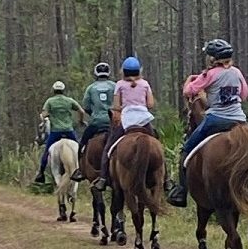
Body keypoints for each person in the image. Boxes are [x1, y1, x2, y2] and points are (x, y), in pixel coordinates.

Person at [167, 39, 248, 208]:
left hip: (216, 120)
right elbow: (244, 94)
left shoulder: (210, 74)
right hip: (240, 121)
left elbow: (188, 91)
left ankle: (181, 191)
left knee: (187, 149)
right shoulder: (237, 73)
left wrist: (191, 80)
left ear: (213, 59)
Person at [93, 56, 173, 192]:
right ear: (139, 71)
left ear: (123, 71)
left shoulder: (119, 84)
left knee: (109, 148)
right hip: (144, 120)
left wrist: (123, 107)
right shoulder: (145, 84)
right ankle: (166, 179)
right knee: (158, 145)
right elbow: (151, 104)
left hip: (127, 120)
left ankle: (103, 178)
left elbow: (117, 106)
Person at [34, 81, 87, 183]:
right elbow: (81, 111)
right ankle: (81, 169)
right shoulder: (69, 101)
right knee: (79, 150)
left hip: (55, 132)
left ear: (54, 90)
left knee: (46, 151)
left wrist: (44, 116)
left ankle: (40, 173)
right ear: (63, 90)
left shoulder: (50, 101)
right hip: (68, 131)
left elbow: (44, 114)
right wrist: (80, 121)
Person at [70, 62, 116, 181]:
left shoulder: (91, 88)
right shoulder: (114, 86)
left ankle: (80, 170)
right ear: (108, 73)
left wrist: (94, 114)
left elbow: (86, 106)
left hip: (96, 123)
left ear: (96, 73)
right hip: (113, 122)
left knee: (82, 144)